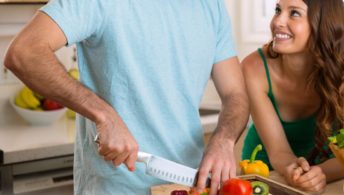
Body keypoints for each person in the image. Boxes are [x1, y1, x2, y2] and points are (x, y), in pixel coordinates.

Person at [4, 0, 250, 194]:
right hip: (115, 188)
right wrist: (104, 115)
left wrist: (224, 140)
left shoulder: (211, 5)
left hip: (186, 187)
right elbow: (25, 53)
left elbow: (235, 93)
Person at [241, 0, 344, 193]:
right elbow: (278, 152)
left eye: (294, 13)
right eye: (278, 10)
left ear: (322, 23)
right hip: (265, 169)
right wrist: (296, 172)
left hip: (329, 169)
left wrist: (319, 174)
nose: (278, 22)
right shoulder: (253, 67)